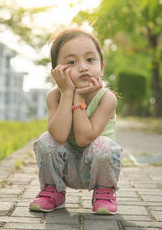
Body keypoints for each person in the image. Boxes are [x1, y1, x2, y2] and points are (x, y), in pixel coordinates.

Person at [29, 28, 122, 214]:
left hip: (95, 170)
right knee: (46, 140)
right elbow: (59, 135)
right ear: (57, 72)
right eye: (71, 62)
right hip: (66, 168)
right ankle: (52, 190)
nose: (83, 67)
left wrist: (78, 99)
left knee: (103, 145)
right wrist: (67, 94)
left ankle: (104, 192)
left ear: (101, 67)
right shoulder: (54, 96)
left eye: (90, 60)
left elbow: (84, 138)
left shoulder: (107, 98)